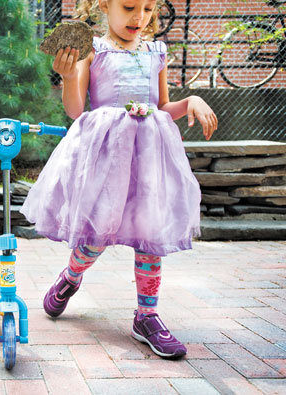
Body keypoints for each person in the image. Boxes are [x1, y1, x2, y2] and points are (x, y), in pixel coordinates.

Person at [21, 0, 217, 359]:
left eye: (146, 8)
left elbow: (161, 107)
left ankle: (147, 315)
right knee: (96, 234)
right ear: (104, 5)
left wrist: (190, 101)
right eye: (128, 7)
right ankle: (71, 276)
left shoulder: (157, 52)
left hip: (148, 158)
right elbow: (76, 109)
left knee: (150, 231)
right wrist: (67, 77)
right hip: (106, 158)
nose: (138, 17)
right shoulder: (92, 50)